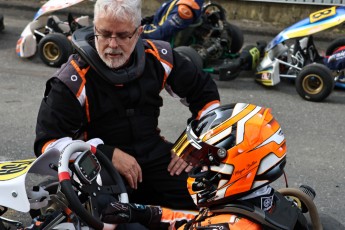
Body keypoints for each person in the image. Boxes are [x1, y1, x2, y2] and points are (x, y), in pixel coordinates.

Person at [34, 0, 220, 212]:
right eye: (104, 34)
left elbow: (206, 95)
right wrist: (104, 152)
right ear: (95, 29)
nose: (112, 45)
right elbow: (47, 142)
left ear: (139, 31)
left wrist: (193, 145)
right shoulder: (72, 78)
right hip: (98, 166)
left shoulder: (159, 57)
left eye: (123, 35)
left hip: (154, 155)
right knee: (113, 219)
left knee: (208, 197)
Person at [100, 103, 311, 229]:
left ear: (241, 163)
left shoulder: (233, 225)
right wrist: (145, 213)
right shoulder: (261, 202)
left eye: (205, 161)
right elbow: (199, 220)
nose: (198, 168)